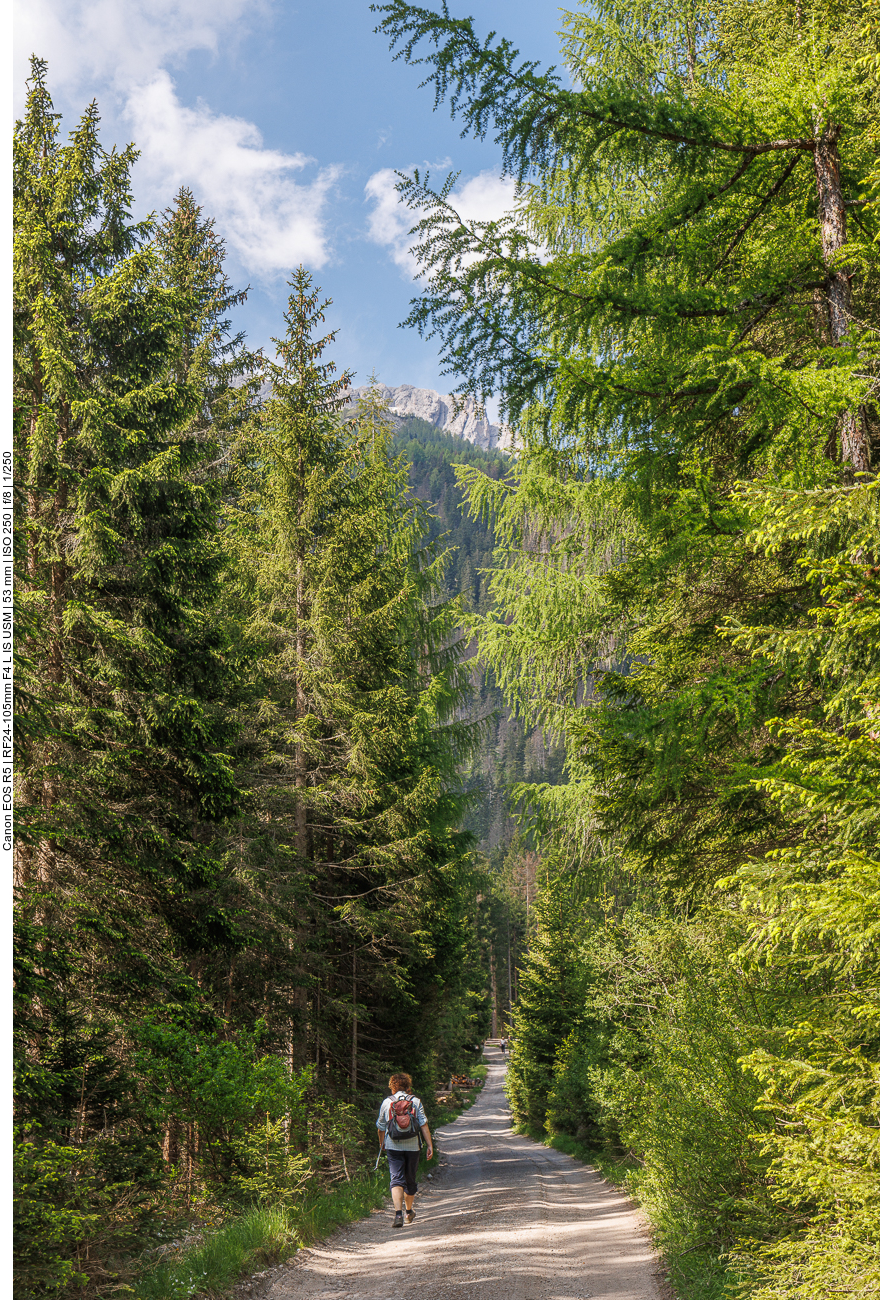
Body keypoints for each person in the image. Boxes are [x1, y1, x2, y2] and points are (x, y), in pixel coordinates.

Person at [376, 1072, 433, 1228]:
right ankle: (408, 1212)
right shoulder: (415, 1101)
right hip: (413, 1146)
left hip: (393, 1146)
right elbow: (423, 1124)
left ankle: (398, 1215)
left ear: (392, 1086)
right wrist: (429, 1145)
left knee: (396, 1179)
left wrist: (382, 1144)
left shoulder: (387, 1103)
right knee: (410, 1179)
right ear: (408, 1086)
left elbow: (381, 1127)